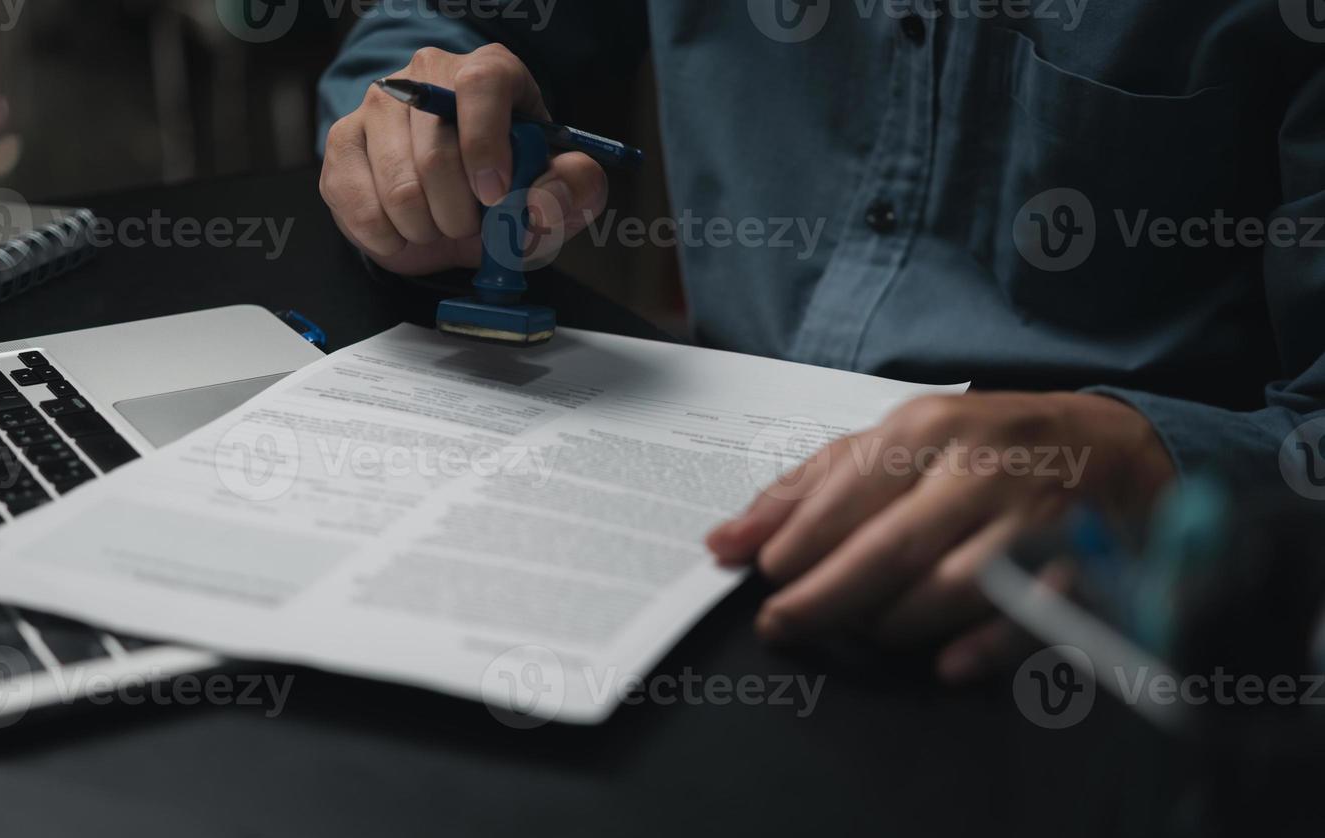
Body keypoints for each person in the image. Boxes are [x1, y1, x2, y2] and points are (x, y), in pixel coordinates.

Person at [316, 2, 1324, 678]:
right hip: (682, 531)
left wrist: (1139, 462)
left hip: (1088, 633)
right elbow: (441, 33)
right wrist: (418, 147)